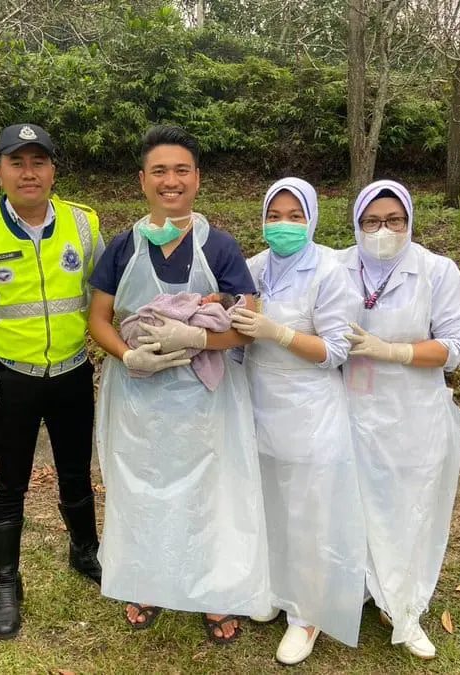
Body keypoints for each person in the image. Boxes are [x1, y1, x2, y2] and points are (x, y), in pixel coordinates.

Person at [88, 125, 270, 644]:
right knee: (142, 487)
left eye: (182, 170)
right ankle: (147, 582)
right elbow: (98, 317)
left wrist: (195, 337)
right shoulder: (123, 247)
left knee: (211, 491)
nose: (171, 181)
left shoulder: (222, 247)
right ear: (142, 180)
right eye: (160, 171)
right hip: (140, 394)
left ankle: (215, 591)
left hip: (206, 397)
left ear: (197, 179)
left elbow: (245, 326)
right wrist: (128, 354)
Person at [0, 123, 105, 640]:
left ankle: (85, 551)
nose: (29, 172)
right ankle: (6, 580)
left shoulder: (83, 224)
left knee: (77, 472)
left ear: (54, 169)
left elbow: (106, 296)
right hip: (11, 381)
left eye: (39, 162)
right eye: (17, 162)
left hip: (74, 372)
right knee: (9, 482)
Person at [231, 178, 366, 664]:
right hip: (259, 398)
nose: (283, 225)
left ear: (312, 219)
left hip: (309, 406)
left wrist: (276, 331)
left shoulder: (330, 270)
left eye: (294, 215)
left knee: (308, 513)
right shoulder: (253, 266)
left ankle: (306, 616)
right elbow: (234, 326)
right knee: (268, 504)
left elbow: (333, 351)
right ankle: (273, 589)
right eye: (274, 214)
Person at [340, 179, 460, 660]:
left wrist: (393, 351)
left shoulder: (437, 271)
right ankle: (353, 593)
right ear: (356, 224)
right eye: (371, 221)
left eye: (394, 220)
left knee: (406, 507)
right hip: (348, 408)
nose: (383, 230)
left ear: (409, 221)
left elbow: (457, 346)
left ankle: (403, 604)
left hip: (412, 412)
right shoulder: (337, 265)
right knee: (351, 504)